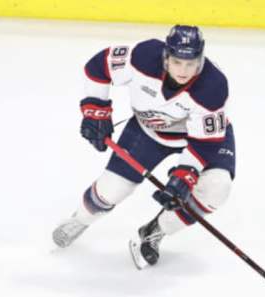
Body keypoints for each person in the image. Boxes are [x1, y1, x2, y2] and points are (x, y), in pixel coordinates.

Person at [52, 25, 236, 269]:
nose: (184, 71)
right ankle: (81, 219)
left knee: (217, 187)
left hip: (200, 141)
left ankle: (155, 231)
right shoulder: (143, 57)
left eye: (191, 63)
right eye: (178, 62)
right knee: (111, 190)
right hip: (147, 131)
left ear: (200, 60)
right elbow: (99, 66)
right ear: (166, 57)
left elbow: (205, 143)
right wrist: (96, 111)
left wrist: (184, 176)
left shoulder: (212, 86)